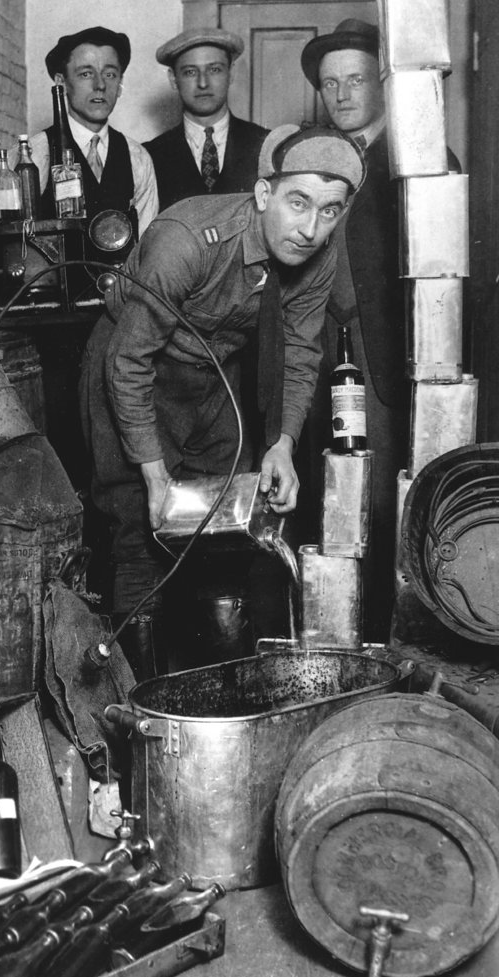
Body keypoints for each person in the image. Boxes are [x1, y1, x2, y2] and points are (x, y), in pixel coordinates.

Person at [79, 125, 365, 678]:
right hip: (133, 373)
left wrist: (281, 444)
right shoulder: (186, 238)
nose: (310, 229)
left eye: (329, 211)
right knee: (142, 528)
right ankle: (144, 707)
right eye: (298, 203)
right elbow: (127, 361)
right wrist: (155, 476)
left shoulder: (317, 254)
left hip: (211, 379)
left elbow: (301, 353)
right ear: (263, 195)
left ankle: (221, 691)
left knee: (225, 524)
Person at [299, 19, 459, 641]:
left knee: (389, 506)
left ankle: (396, 644)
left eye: (356, 79)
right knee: (330, 509)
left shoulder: (422, 156)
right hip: (320, 365)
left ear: (384, 84)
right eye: (330, 83)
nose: (341, 94)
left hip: (388, 365)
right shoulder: (309, 163)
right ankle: (340, 644)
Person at [25, 26, 158, 234]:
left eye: (110, 74)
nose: (100, 85)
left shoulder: (137, 157)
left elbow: (147, 244)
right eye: (86, 74)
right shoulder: (34, 153)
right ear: (61, 82)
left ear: (120, 82)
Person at [144, 28, 268, 210]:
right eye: (190, 72)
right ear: (173, 79)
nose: (203, 83)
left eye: (214, 69)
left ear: (231, 73)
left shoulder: (265, 143)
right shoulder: (149, 156)